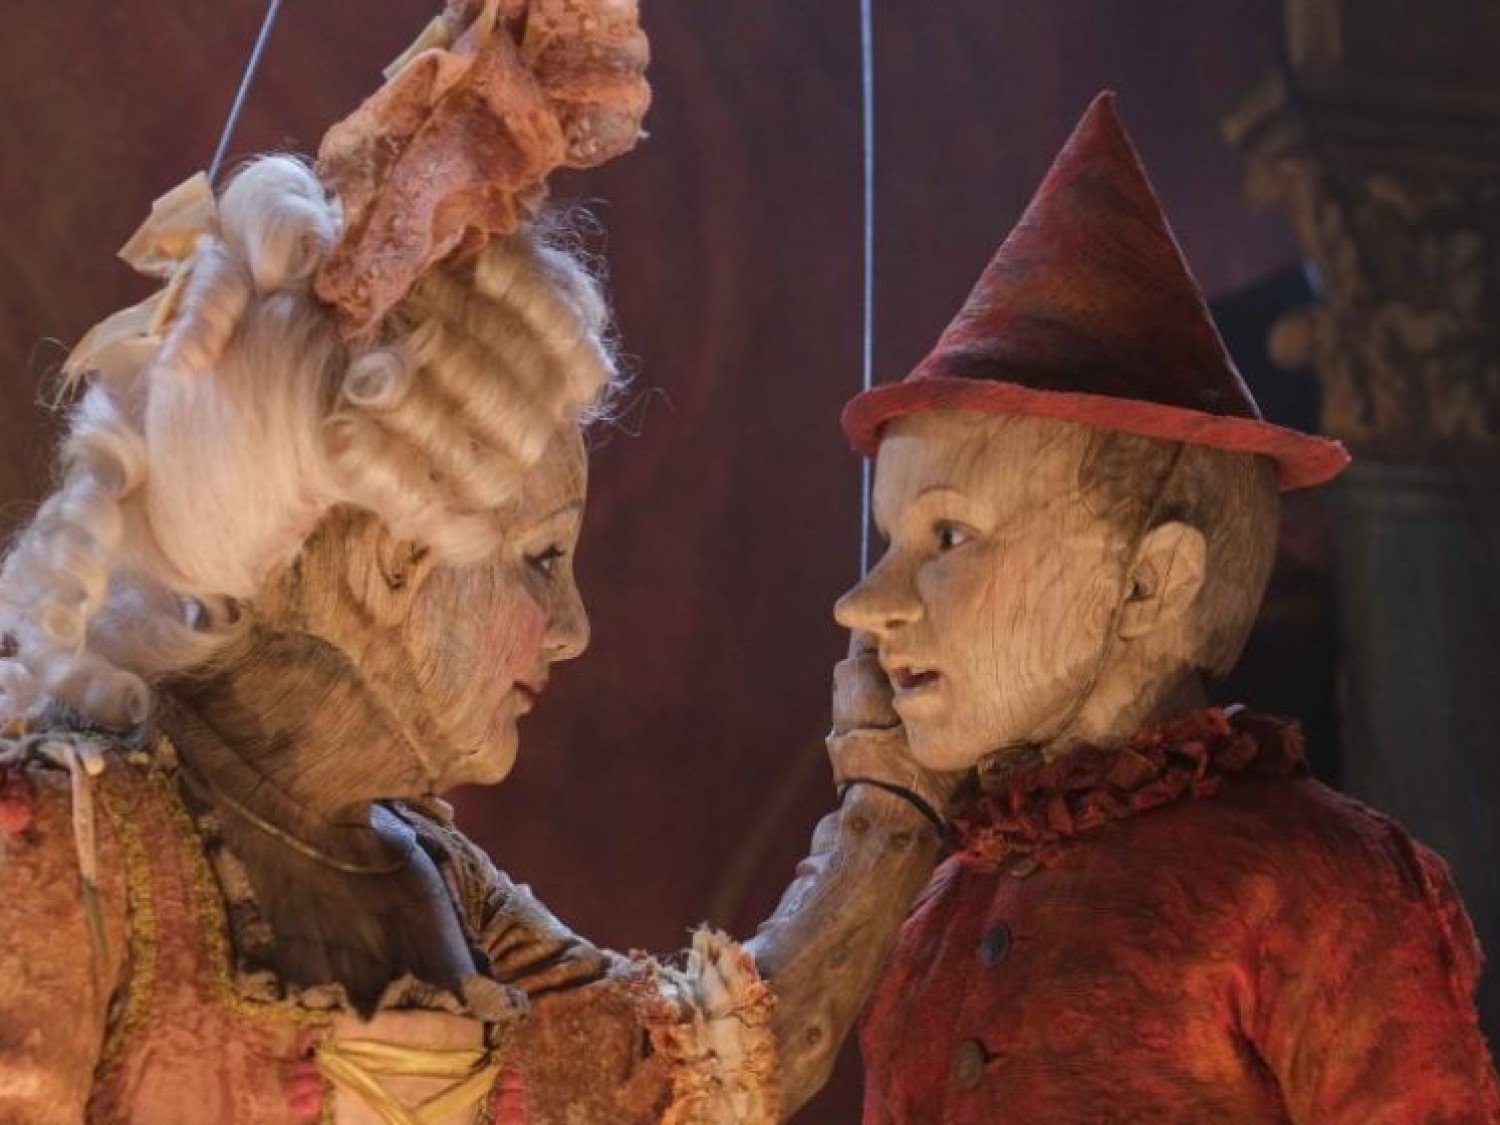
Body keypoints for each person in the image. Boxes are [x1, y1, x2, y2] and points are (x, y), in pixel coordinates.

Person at [0, 4, 951, 1121]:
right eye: (540, 559)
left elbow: (706, 1069)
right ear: (393, 563)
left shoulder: (438, 885)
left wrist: (888, 802)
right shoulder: (62, 849)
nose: (573, 628)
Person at [835, 92, 1500, 1122]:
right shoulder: (935, 912)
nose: (865, 604)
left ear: (1152, 582)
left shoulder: (1315, 886)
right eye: (890, 544)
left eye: (949, 537)